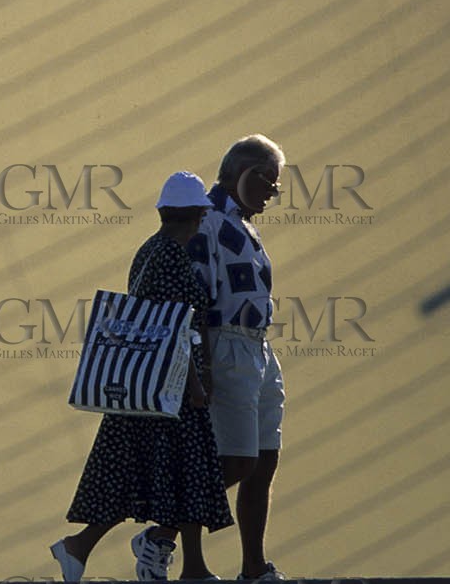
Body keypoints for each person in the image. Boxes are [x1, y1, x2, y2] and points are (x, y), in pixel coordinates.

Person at [51, 172, 234, 582]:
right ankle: (121, 551)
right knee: (179, 475)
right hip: (167, 391)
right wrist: (196, 385)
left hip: (143, 387)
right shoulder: (171, 256)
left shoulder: (152, 249)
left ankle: (90, 548)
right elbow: (174, 330)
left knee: (144, 478)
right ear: (199, 214)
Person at [177, 134, 288, 581]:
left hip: (257, 346)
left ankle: (253, 566)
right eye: (269, 184)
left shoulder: (242, 223)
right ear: (246, 175)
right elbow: (195, 295)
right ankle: (162, 533)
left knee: (264, 460)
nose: (272, 196)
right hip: (225, 344)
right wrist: (200, 364)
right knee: (238, 460)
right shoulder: (206, 220)